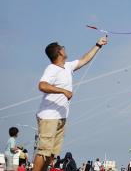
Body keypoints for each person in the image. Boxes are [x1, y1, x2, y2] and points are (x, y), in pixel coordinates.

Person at [32, 37, 108, 171]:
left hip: (61, 118)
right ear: (59, 52)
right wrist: (63, 91)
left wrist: (98, 45)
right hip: (49, 117)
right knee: (44, 151)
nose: (64, 48)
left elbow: (85, 59)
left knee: (51, 154)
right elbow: (42, 85)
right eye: (62, 47)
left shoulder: (67, 67)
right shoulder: (52, 69)